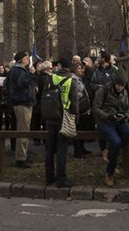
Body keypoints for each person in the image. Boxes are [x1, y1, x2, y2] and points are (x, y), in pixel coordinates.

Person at [93, 71, 129, 187]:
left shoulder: (124, 92)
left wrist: (124, 116)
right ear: (114, 83)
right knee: (116, 142)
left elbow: (127, 108)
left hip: (118, 120)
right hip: (105, 121)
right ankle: (109, 173)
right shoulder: (103, 90)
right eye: (118, 85)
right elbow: (96, 108)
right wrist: (108, 116)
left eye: (122, 86)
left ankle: (109, 150)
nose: (120, 88)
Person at [44, 58, 78, 187]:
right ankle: (61, 178)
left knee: (49, 149)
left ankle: (49, 177)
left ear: (59, 66)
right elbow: (75, 103)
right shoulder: (71, 81)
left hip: (51, 117)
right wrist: (76, 119)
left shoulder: (50, 78)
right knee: (62, 150)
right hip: (65, 117)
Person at [8, 50, 37, 168]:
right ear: (21, 59)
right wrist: (31, 74)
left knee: (24, 130)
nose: (28, 60)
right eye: (26, 58)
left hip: (23, 102)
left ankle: (22, 155)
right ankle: (20, 158)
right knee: (23, 131)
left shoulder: (18, 70)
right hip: (22, 103)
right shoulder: (18, 71)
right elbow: (22, 84)